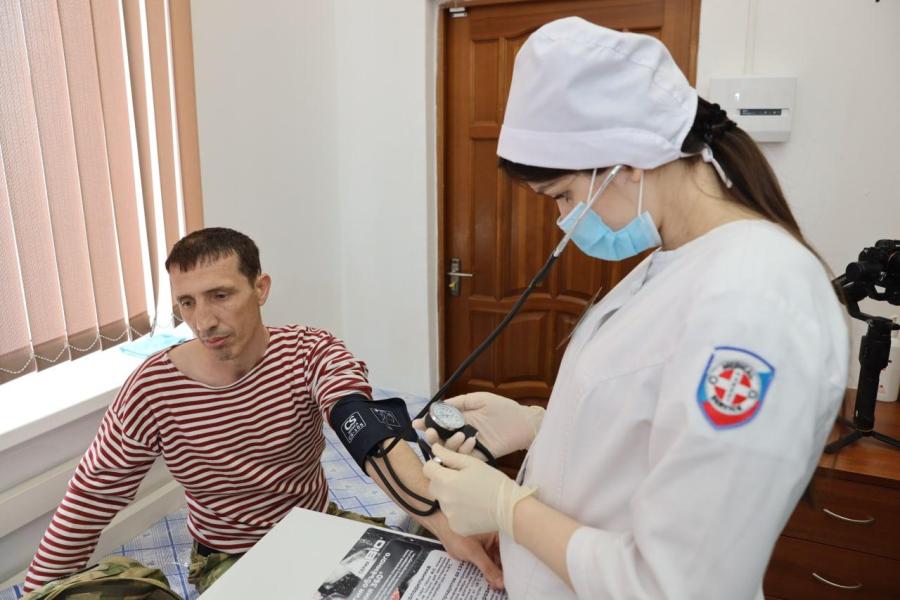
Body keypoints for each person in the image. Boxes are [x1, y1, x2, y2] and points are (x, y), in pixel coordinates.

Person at [420, 17, 849, 600]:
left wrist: (507, 509)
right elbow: (653, 430)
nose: (563, 219)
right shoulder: (671, 261)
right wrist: (541, 426)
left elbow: (682, 584)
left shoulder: (758, 300)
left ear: (628, 163)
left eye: (563, 195)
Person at [24, 228, 501, 594]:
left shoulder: (310, 352)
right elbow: (90, 497)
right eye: (187, 303)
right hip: (228, 555)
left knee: (442, 566)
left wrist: (442, 521)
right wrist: (36, 592)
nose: (204, 322)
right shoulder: (152, 389)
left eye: (220, 295)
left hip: (317, 525)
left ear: (261, 288)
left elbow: (365, 427)